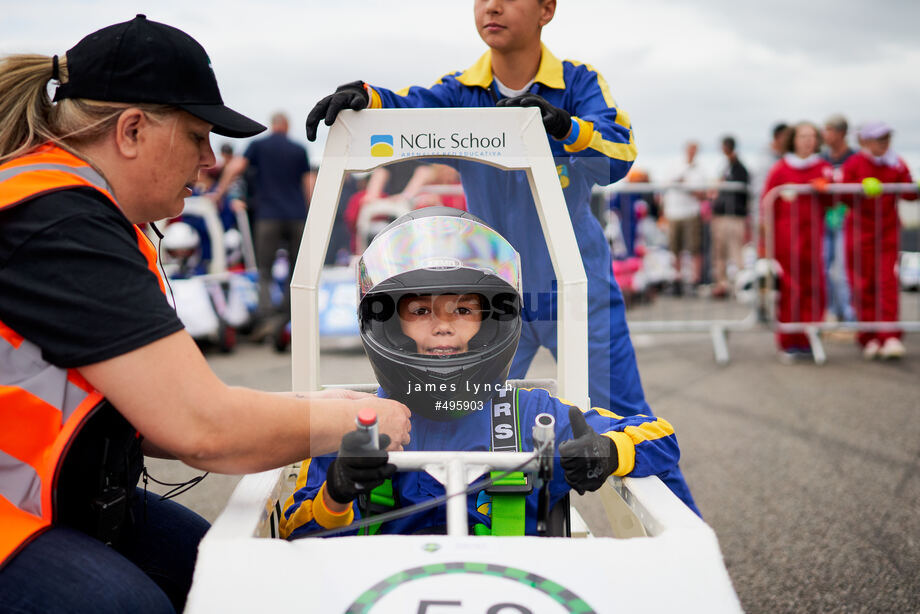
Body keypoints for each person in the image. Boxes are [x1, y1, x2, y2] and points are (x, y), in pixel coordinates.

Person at [0, 16, 411, 614]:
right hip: (20, 512)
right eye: (198, 135)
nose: (212, 160)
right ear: (132, 130)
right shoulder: (57, 218)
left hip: (54, 494)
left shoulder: (71, 205)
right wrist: (356, 422)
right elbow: (199, 430)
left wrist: (314, 409)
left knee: (236, 573)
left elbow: (151, 413)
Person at [281, 208, 698, 539]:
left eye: (463, 310)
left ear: (489, 320)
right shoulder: (350, 426)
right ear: (391, 323)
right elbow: (290, 534)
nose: (442, 325)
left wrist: (608, 451)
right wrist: (336, 492)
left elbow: (661, 436)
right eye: (421, 311)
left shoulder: (535, 415)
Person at [213, 112, 312, 338]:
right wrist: (309, 211)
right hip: (296, 215)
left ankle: (267, 315)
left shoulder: (258, 145)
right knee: (295, 269)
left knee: (265, 269)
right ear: (287, 126)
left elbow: (235, 167)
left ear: (273, 125)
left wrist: (219, 193)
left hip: (268, 216)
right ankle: (290, 313)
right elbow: (308, 182)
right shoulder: (299, 149)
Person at [840, 121, 917, 360]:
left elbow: (908, 193)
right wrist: (859, 188)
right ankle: (868, 336)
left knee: (887, 282)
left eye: (886, 138)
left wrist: (915, 186)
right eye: (878, 138)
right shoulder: (854, 163)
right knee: (862, 284)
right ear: (865, 141)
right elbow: (842, 195)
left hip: (887, 233)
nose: (884, 142)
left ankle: (889, 336)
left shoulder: (896, 162)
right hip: (859, 233)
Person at [761, 121, 833, 361]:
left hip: (814, 238)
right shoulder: (781, 169)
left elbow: (834, 203)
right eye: (803, 136)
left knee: (815, 287)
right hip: (786, 239)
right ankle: (789, 340)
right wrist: (766, 241)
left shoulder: (823, 167)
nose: (807, 141)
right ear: (793, 139)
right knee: (791, 288)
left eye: (812, 136)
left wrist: (828, 190)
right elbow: (767, 205)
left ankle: (810, 336)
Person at [820, 114, 856, 325]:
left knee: (843, 271)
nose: (825, 135)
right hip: (825, 221)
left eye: (829, 130)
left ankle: (849, 314)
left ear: (841, 133)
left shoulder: (854, 158)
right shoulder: (822, 159)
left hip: (847, 221)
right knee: (824, 268)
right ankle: (830, 311)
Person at [662, 141, 706, 294]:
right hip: (674, 212)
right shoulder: (674, 165)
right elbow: (665, 186)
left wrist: (687, 187)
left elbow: (702, 194)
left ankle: (694, 280)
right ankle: (677, 278)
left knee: (694, 247)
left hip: (690, 213)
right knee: (675, 248)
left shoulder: (699, 171)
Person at [710, 136, 750, 298]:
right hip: (721, 214)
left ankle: (740, 284)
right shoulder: (724, 166)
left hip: (734, 216)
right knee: (719, 253)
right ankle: (722, 284)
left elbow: (743, 190)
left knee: (735, 252)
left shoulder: (740, 168)